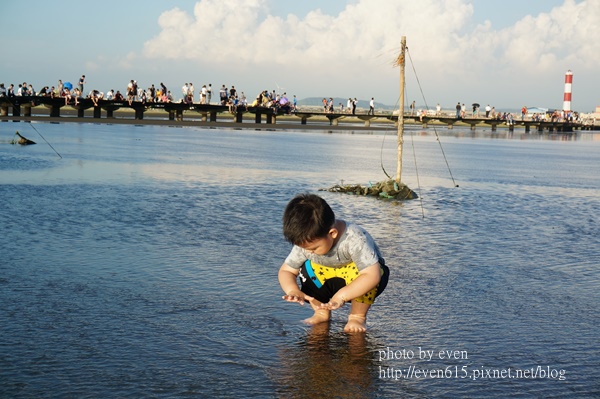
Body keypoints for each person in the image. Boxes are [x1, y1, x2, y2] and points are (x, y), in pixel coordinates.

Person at [278, 193, 389, 333]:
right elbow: (286, 271)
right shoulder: (306, 241)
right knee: (307, 268)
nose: (309, 252)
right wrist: (293, 290)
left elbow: (371, 275)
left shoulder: (354, 239)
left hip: (362, 279)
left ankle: (357, 316)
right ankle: (320, 312)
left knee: (369, 272)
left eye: (314, 248)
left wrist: (341, 296)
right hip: (327, 275)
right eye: (305, 248)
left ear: (332, 233)